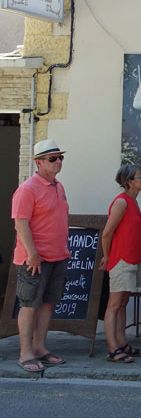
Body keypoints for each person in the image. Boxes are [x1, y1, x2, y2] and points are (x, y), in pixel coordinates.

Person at [11, 139, 71, 373]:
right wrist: (32, 254)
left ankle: (40, 348)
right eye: (52, 158)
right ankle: (25, 354)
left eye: (60, 157)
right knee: (29, 305)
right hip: (35, 259)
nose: (58, 162)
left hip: (58, 256)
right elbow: (21, 224)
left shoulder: (59, 186)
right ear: (39, 162)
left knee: (47, 304)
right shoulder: (27, 189)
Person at [101, 165, 141, 363]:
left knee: (123, 303)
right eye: (140, 176)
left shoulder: (132, 202)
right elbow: (107, 233)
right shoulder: (121, 203)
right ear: (129, 181)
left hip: (132, 259)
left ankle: (121, 343)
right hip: (121, 259)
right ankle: (113, 348)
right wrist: (107, 257)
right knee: (114, 305)